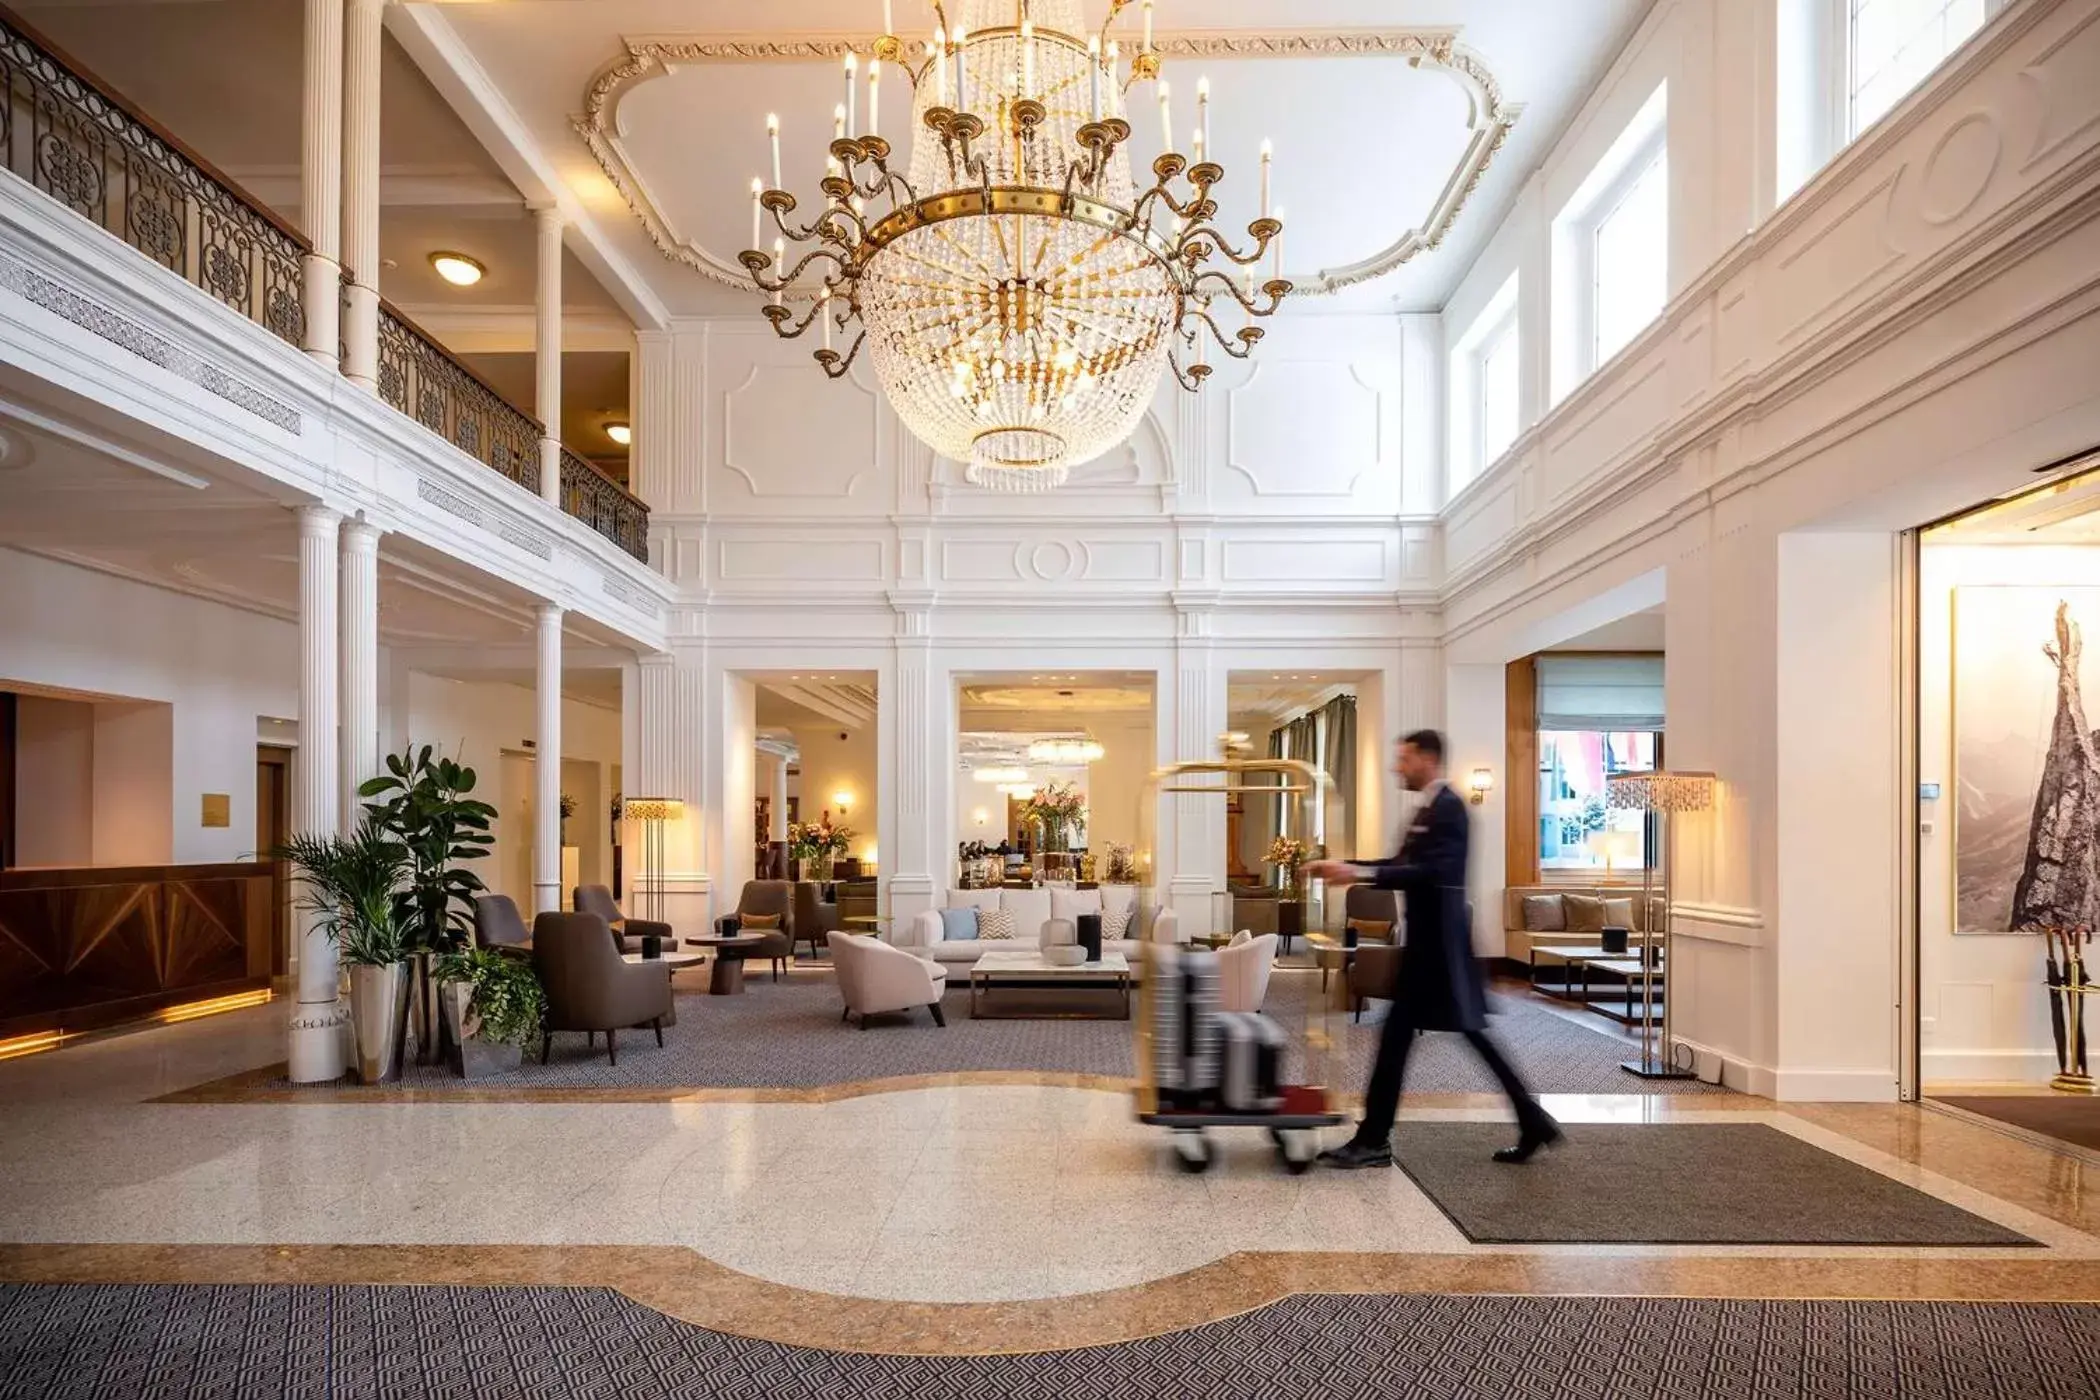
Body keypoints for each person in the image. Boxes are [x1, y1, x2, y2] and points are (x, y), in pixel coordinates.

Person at [1307, 729, 1561, 1169]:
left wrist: (1357, 872)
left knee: (1414, 1039)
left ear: (1427, 759)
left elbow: (1431, 871)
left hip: (1438, 950)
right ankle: (1531, 1119)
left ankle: (1374, 1140)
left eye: (1404, 759)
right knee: (1445, 1037)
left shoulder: (1451, 809)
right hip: (1429, 946)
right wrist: (1351, 868)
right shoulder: (1429, 808)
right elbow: (1402, 865)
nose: (1396, 767)